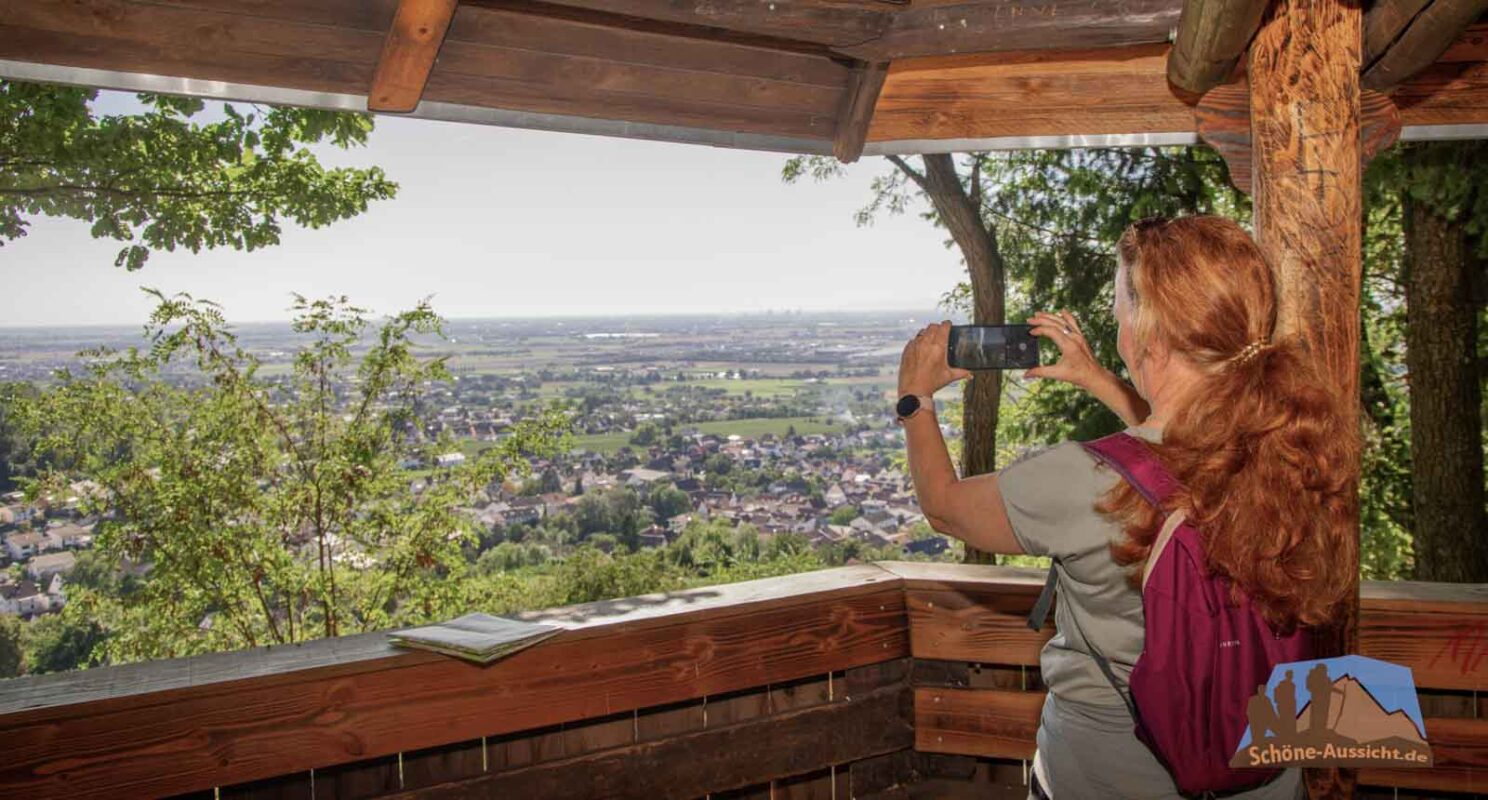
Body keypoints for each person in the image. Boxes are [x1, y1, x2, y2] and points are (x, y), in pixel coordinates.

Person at [895, 215, 1356, 799]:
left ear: (1148, 330)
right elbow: (1181, 462)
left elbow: (946, 508)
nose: (1116, 318)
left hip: (1107, 777)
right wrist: (1101, 381)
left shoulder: (1081, 480)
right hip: (1264, 772)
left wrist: (916, 398)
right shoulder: (1295, 455)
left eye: (1120, 304)